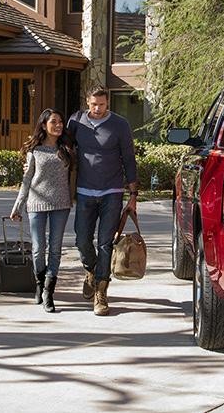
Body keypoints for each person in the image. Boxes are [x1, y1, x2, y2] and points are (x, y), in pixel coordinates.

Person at [67, 88, 138, 316]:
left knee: (106, 243)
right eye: (93, 104)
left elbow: (128, 157)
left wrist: (133, 194)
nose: (97, 109)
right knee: (82, 240)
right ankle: (91, 269)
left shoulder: (120, 124)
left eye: (102, 105)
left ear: (108, 103)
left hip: (112, 191)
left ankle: (101, 291)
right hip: (85, 191)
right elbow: (63, 149)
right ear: (87, 101)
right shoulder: (76, 121)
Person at [10, 109, 76, 313]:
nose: (58, 125)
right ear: (44, 125)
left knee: (55, 249)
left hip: (61, 204)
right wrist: (18, 204)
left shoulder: (67, 148)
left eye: (61, 122)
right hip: (36, 204)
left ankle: (49, 291)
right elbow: (27, 179)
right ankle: (39, 283)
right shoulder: (34, 150)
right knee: (39, 249)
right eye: (53, 122)